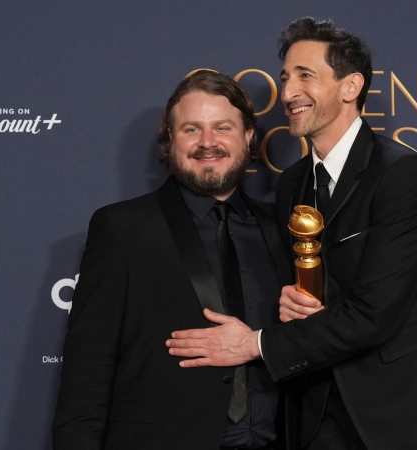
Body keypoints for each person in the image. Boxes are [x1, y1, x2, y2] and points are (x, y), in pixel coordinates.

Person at [166, 18, 417, 450]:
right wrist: (292, 299)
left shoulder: (402, 175)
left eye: (305, 76)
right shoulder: (292, 182)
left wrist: (256, 343)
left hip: (402, 415)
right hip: (317, 413)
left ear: (350, 86)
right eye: (285, 77)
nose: (289, 92)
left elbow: (375, 314)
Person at [52, 70, 291, 450]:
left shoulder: (282, 227)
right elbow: (87, 371)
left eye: (223, 128)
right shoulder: (122, 228)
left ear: (248, 137)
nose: (208, 143)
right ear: (170, 138)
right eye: (191, 129)